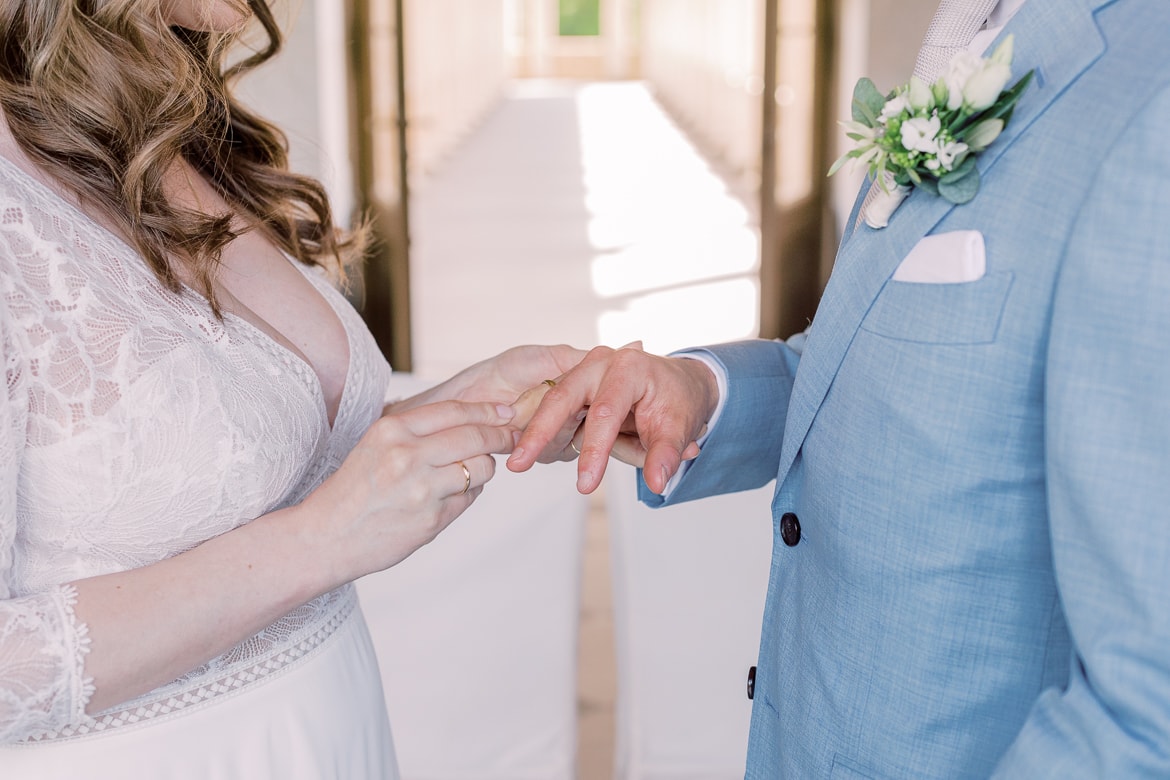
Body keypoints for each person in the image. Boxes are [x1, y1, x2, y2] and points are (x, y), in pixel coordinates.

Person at [510, 0, 1170, 776]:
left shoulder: (1148, 100)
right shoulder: (977, 26)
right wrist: (699, 389)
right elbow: (867, 365)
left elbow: (1146, 709)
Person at [0, 1, 582, 777]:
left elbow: (249, 462)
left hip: (328, 737)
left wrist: (473, 411)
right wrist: (319, 542)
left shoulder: (139, 112)